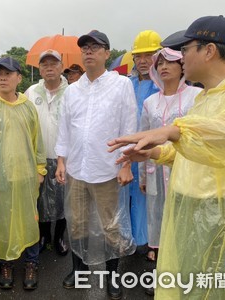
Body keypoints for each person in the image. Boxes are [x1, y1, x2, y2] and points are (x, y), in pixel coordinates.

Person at [108, 15, 225, 299]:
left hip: (223, 215)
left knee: (216, 289)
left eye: (185, 49)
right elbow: (195, 151)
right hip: (192, 212)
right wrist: (153, 152)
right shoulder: (207, 97)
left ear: (209, 51)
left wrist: (172, 131)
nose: (181, 57)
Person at [55, 30, 137, 299]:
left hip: (107, 168)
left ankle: (113, 277)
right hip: (77, 169)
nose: (88, 51)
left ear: (106, 53)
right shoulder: (73, 90)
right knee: (76, 223)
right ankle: (78, 272)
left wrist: (125, 164)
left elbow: (129, 126)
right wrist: (61, 161)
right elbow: (64, 129)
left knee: (110, 226)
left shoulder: (121, 85)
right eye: (85, 48)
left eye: (95, 47)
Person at [0, 56, 47, 291]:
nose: (2, 77)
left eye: (7, 73)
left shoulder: (27, 107)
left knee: (30, 221)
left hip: (26, 178)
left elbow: (37, 142)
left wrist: (40, 170)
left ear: (18, 78)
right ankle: (6, 264)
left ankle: (31, 263)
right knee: (1, 224)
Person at [139, 47, 202, 296]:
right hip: (156, 173)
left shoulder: (196, 97)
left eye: (170, 62)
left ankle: (186, 277)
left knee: (184, 224)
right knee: (160, 222)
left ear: (182, 66)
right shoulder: (149, 102)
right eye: (160, 63)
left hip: (186, 171)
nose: (164, 67)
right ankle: (163, 277)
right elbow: (144, 139)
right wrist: (144, 176)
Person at [25, 49, 69, 256]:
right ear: (39, 69)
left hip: (65, 157)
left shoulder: (72, 91)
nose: (49, 68)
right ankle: (44, 236)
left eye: (54, 63)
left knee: (63, 200)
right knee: (40, 200)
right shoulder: (31, 92)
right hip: (38, 157)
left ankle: (60, 236)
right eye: (44, 64)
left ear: (61, 67)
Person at [124, 30, 162, 251]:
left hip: (154, 152)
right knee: (130, 198)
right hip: (129, 152)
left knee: (152, 198)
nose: (143, 61)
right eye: (139, 56)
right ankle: (133, 239)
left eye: (149, 55)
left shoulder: (164, 85)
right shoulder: (127, 83)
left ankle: (152, 243)